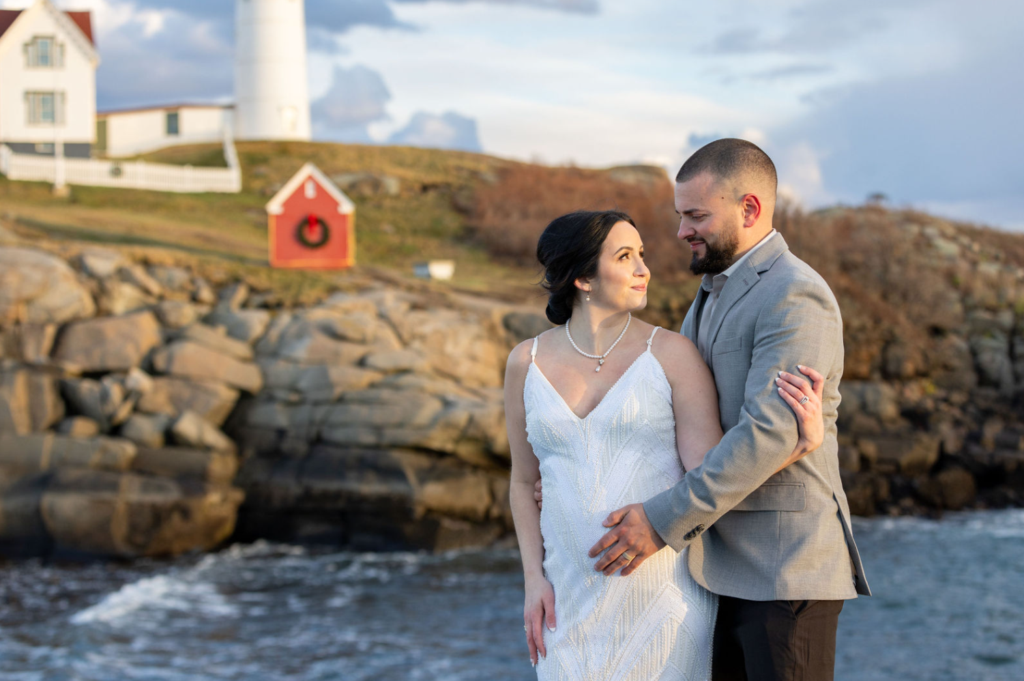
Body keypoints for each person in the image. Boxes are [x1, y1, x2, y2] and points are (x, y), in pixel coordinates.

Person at [586, 139, 872, 681]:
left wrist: (660, 521)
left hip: (783, 571)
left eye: (695, 215)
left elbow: (770, 433)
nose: (681, 232)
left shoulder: (795, 294)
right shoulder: (711, 294)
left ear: (749, 209)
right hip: (718, 570)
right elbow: (676, 418)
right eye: (679, 216)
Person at [505, 208, 827, 680]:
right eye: (625, 256)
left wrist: (798, 444)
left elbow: (714, 474)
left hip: (662, 599)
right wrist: (533, 580)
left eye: (641, 254)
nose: (643, 269)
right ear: (582, 279)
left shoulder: (673, 354)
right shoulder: (524, 362)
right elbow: (522, 481)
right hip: (565, 601)